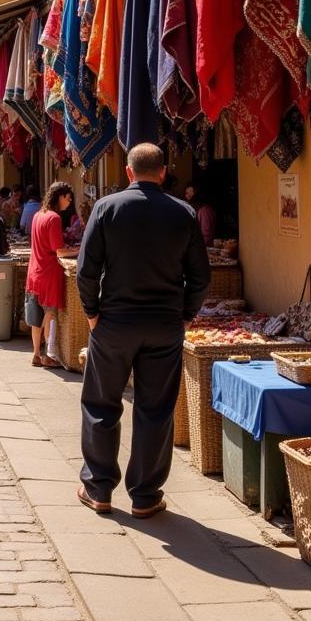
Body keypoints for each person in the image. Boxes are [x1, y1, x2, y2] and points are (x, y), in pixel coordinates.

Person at [76, 142, 211, 518]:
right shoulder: (183, 213)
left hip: (114, 323)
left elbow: (87, 271)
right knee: (155, 410)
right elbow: (200, 276)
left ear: (129, 172)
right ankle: (145, 495)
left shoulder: (107, 208)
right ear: (164, 172)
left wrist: (91, 314)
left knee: (101, 404)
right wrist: (185, 316)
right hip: (165, 326)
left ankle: (99, 488)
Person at [25, 181, 74, 369]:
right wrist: (79, 249)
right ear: (60, 197)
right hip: (49, 272)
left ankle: (36, 353)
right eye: (68, 199)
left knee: (36, 317)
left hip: (34, 271)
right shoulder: (54, 218)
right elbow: (59, 251)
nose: (68, 203)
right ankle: (49, 356)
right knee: (50, 313)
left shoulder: (38, 215)